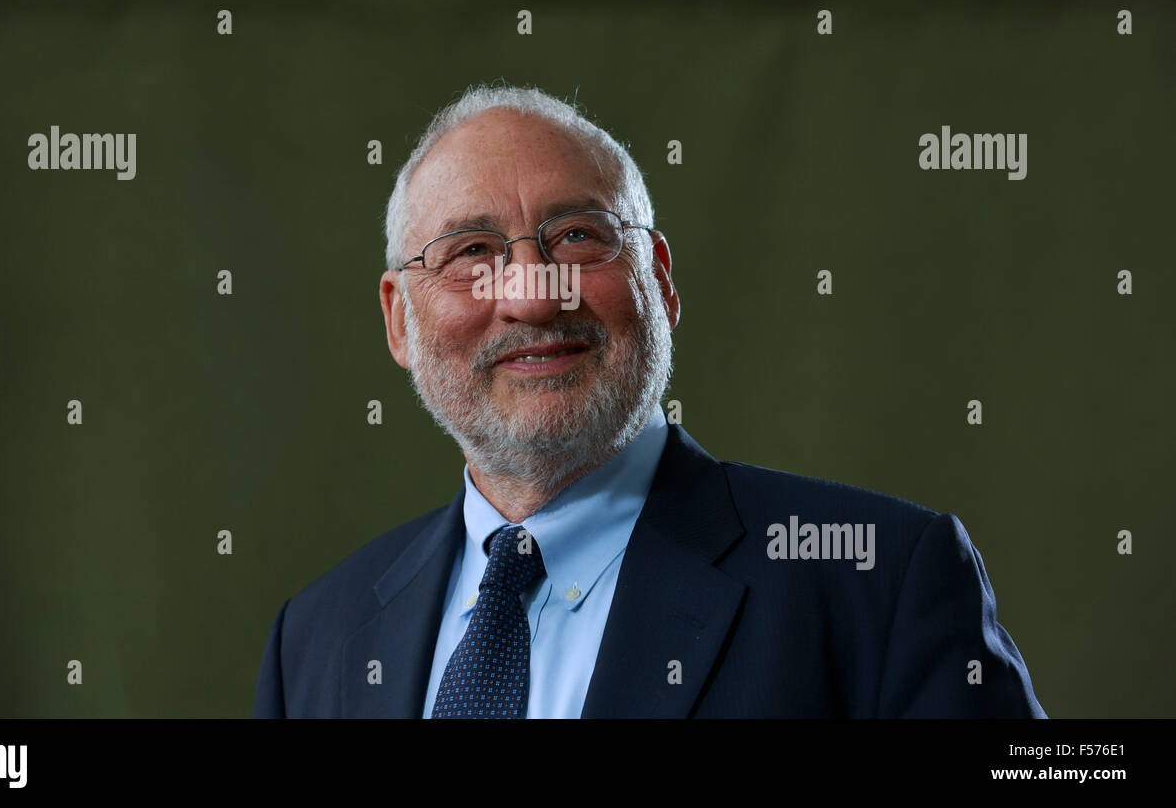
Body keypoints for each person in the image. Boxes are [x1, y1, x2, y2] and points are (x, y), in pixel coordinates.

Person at [253, 83, 1047, 718]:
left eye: (576, 237)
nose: (533, 294)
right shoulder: (315, 638)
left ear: (659, 280)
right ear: (399, 318)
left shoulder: (878, 577)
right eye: (471, 252)